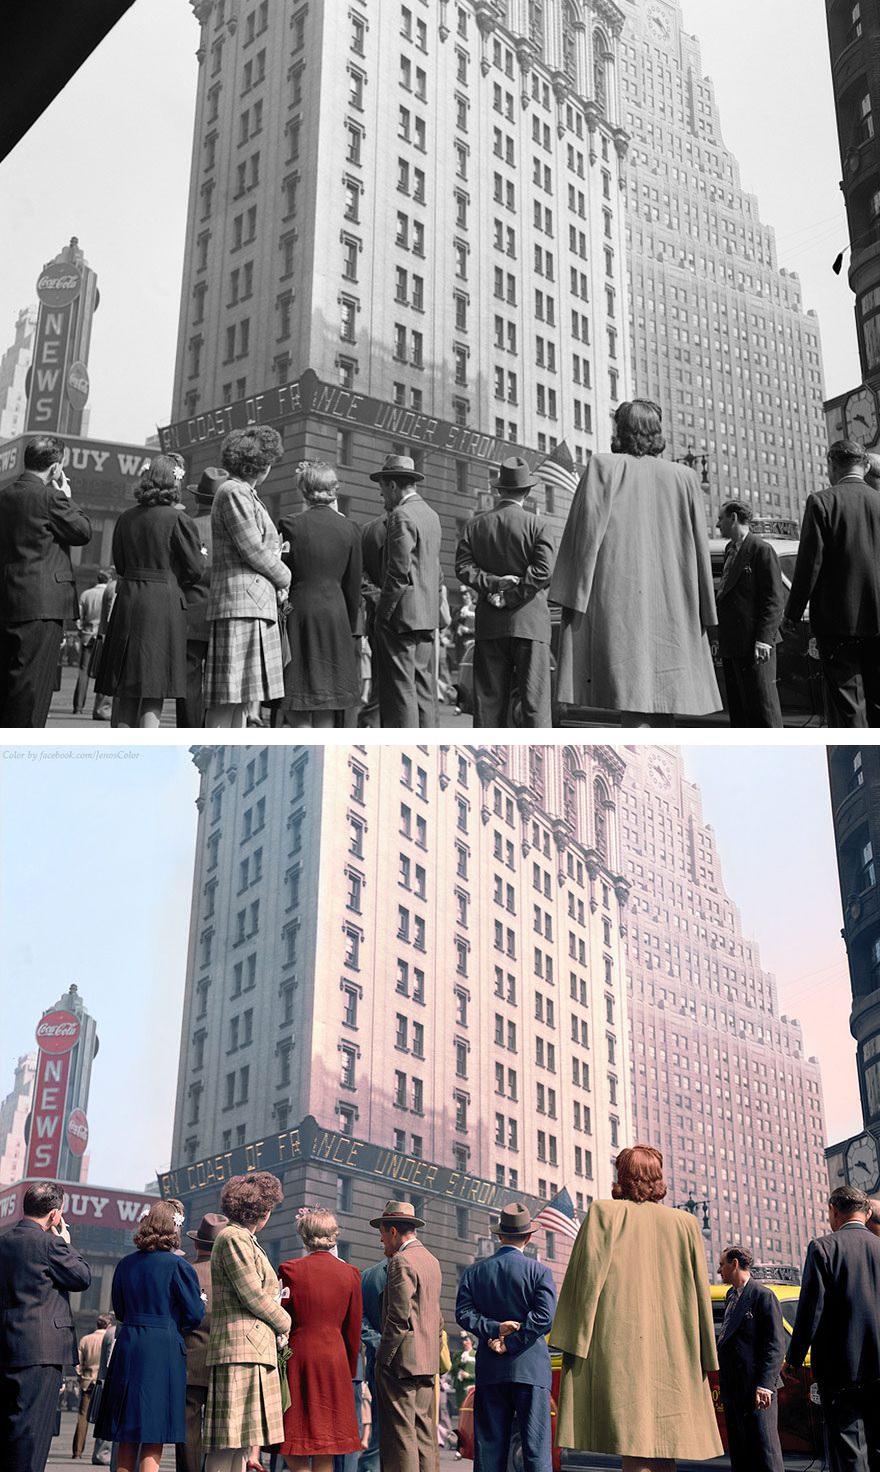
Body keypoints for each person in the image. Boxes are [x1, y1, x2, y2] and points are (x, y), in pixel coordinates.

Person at [551, 1144, 722, 1471]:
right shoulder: (686, 1224)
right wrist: (705, 1353)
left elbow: (584, 1282)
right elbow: (700, 1292)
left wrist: (570, 1339)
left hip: (622, 1350)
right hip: (676, 1352)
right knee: (664, 1446)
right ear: (657, 1179)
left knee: (634, 1445)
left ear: (623, 1177)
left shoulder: (604, 1214)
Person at [549, 400, 721, 721]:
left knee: (631, 702)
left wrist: (571, 597)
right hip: (675, 607)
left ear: (622, 431)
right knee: (666, 704)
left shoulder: (602, 468)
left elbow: (582, 540)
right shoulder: (685, 477)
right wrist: (706, 612)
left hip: (620, 605)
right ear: (656, 432)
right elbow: (700, 547)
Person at [94, 454, 205, 727]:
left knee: (127, 686)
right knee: (155, 688)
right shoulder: (179, 520)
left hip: (129, 600)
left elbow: (119, 564)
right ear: (175, 481)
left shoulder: (126, 518)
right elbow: (194, 570)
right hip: (163, 604)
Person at [94, 1199, 204, 1472]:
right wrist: (198, 1301)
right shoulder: (179, 1267)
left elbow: (119, 1309)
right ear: (175, 1228)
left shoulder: (126, 1264)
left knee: (127, 1430)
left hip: (129, 1344)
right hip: (163, 1348)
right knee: (154, 1431)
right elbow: (194, 1315)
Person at [783, 439, 880, 725]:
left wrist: (792, 613)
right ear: (864, 467)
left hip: (839, 623)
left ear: (832, 466)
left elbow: (809, 564)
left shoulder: (822, 501)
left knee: (848, 703)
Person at [455, 457, 556, 726]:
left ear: (499, 490)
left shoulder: (475, 525)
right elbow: (544, 571)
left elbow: (463, 568)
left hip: (490, 625)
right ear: (528, 491)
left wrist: (495, 584)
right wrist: (511, 593)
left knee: (488, 706)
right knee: (535, 707)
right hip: (530, 625)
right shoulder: (539, 525)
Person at [455, 1203, 556, 1472]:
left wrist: (495, 1329)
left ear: (499, 1236)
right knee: (536, 1452)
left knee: (488, 1451)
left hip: (491, 1370)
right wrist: (510, 1341)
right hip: (530, 1371)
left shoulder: (474, 1272)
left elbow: (463, 1314)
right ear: (529, 1237)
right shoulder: (540, 1272)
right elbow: (544, 1318)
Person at [0, 1180, 92, 1472]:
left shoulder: (3, 1242)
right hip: (41, 1349)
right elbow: (82, 1277)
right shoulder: (51, 1244)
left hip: (6, 1344)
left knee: (9, 1426)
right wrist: (65, 1241)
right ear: (54, 1215)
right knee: (33, 1431)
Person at [787, 1184, 880, 1472]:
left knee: (849, 1452)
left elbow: (810, 1311)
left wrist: (792, 1360)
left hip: (841, 1371)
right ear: (866, 1214)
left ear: (833, 1210)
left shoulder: (823, 1248)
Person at [0, 434, 92, 726]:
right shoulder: (51, 497)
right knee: (33, 688)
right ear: (55, 469)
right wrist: (66, 495)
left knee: (9, 682)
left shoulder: (4, 495)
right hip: (42, 603)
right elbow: (82, 531)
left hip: (7, 598)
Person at [203, 1172, 292, 1472]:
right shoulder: (233, 1238)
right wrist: (285, 1320)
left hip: (247, 1348)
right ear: (262, 1210)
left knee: (240, 1442)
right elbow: (252, 1294)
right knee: (228, 1441)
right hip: (240, 1349)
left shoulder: (242, 1238)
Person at [204, 427, 291, 728]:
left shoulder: (241, 492)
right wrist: (285, 575)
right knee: (229, 696)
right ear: (260, 463)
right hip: (241, 604)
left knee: (240, 697)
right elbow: (252, 548)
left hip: (248, 602)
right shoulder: (234, 492)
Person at [277, 1206, 363, 1471]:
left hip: (299, 1357)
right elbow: (353, 1328)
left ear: (304, 1236)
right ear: (333, 1236)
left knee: (294, 1435)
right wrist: (348, 1368)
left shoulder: (290, 1270)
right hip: (335, 1359)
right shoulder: (351, 1274)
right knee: (327, 1440)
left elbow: (281, 1318)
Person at [279, 461, 363, 728]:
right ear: (334, 490)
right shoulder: (350, 528)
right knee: (329, 696)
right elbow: (353, 584)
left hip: (299, 613)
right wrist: (351, 627)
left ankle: (303, 734)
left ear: (304, 489)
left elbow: (282, 572)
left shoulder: (290, 524)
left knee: (295, 692)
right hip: (336, 614)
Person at [370, 454, 443, 727]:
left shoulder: (401, 515)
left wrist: (383, 613)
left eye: (382, 489)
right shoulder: (431, 515)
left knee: (401, 691)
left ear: (392, 486)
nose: (382, 497)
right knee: (423, 689)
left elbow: (398, 572)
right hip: (426, 616)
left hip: (401, 619)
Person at [371, 1198, 443, 1472]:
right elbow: (436, 1317)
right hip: (426, 1360)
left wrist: (383, 1358)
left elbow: (397, 1317)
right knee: (425, 1435)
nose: (382, 1242)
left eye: (382, 1235)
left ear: (392, 1231)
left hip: (401, 1364)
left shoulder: (402, 1261)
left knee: (400, 1436)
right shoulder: (431, 1261)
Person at [715, 1245, 785, 1472]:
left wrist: (765, 1385)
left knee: (765, 1453)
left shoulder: (763, 1296)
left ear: (735, 1264)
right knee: (741, 1454)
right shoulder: (730, 1295)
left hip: (757, 1390)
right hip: (734, 1388)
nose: (719, 1271)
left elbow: (775, 1345)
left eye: (722, 1264)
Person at [715, 501, 785, 727]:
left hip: (755, 645)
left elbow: (773, 599)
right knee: (740, 710)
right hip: (732, 643)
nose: (718, 525)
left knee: (763, 708)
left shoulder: (761, 550)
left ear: (733, 518)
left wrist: (764, 641)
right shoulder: (729, 550)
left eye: (721, 519)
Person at [175, 1212, 229, 1472]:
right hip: (224, 1361)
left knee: (188, 1428)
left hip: (190, 1360)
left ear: (196, 1244)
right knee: (222, 1432)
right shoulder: (231, 1277)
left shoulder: (187, 1271)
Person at [177, 468, 224, 728]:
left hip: (190, 612)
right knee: (219, 681)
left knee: (189, 680)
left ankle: (189, 730)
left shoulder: (187, 525)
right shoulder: (229, 529)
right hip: (221, 614)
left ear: (197, 499)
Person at [358, 1255, 388, 1472]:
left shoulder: (367, 1275)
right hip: (393, 1365)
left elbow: (360, 1319)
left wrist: (377, 1344)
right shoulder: (369, 1276)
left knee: (379, 1429)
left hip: (377, 1363)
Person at [73, 1314, 112, 1459]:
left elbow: (77, 1360)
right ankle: (101, 1453)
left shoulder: (86, 1339)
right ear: (108, 1325)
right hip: (103, 1381)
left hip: (87, 1381)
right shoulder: (109, 1339)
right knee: (105, 1415)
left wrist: (81, 1375)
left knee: (83, 1417)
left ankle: (77, 1451)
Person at [73, 571, 110, 715]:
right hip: (102, 636)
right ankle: (100, 707)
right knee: (103, 671)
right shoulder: (108, 593)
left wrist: (81, 629)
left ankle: (78, 706)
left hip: (88, 635)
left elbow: (78, 616)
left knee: (83, 671)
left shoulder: (86, 594)